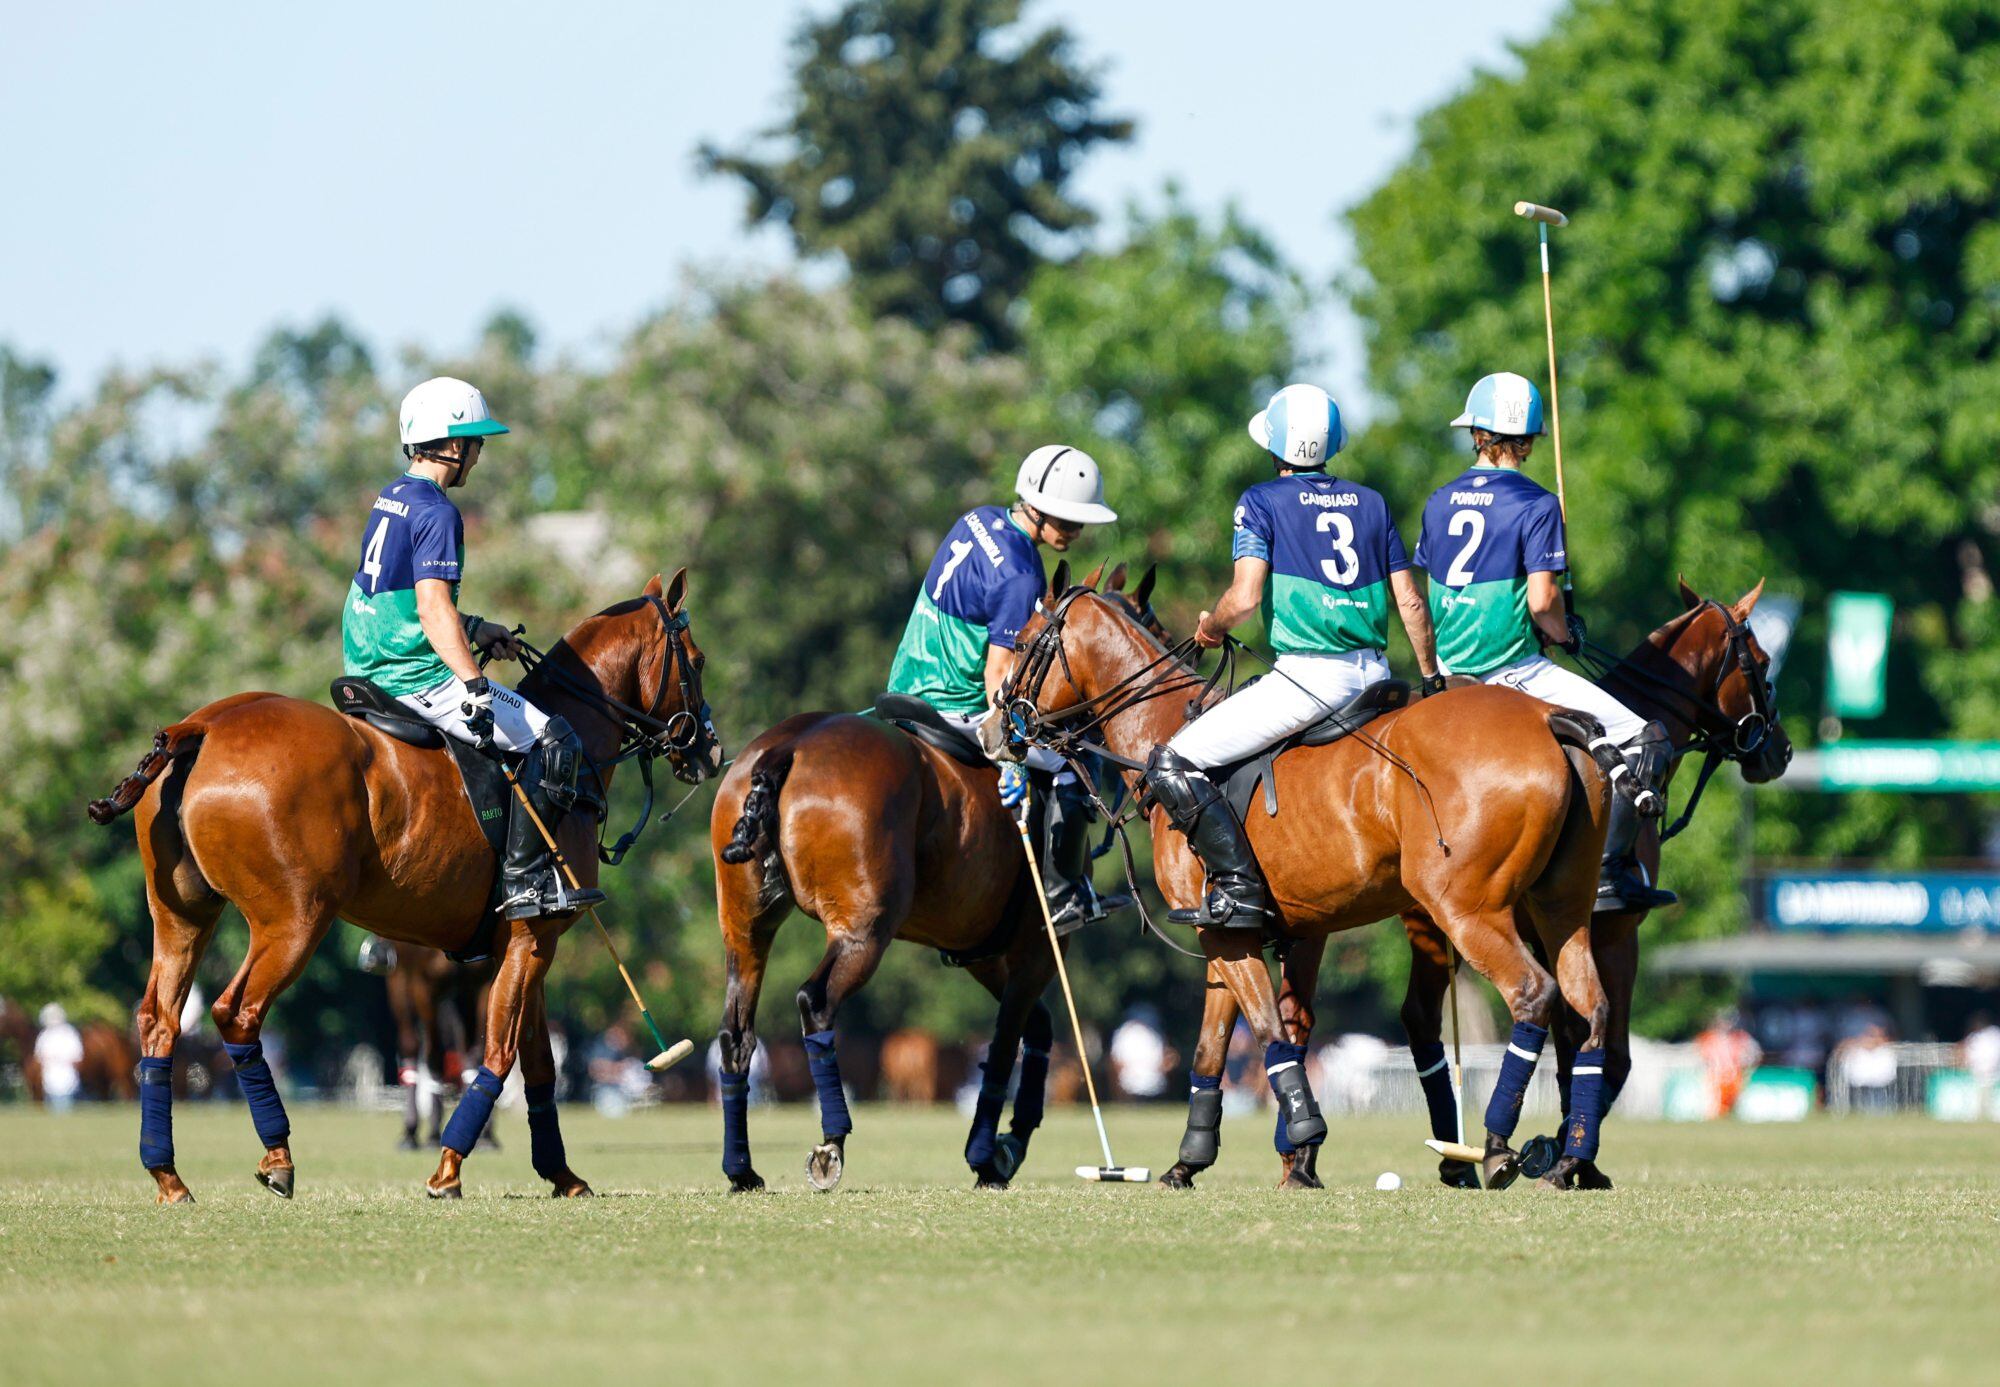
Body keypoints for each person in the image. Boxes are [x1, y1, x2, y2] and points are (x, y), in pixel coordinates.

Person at [1143, 383, 1437, 926]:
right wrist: (1432, 679)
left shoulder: (1260, 502)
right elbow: (1413, 603)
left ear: (1275, 446)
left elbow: (1246, 596)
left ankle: (1237, 885)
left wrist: (1212, 624)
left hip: (1309, 680)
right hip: (1377, 676)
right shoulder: (1371, 503)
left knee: (1172, 761)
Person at [341, 377, 603, 922]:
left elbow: (403, 599)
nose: (479, 456)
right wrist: (475, 685)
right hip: (414, 676)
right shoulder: (438, 512)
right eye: (477, 443)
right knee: (557, 740)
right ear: (454, 446)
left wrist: (477, 627)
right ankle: (524, 881)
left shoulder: (393, 496)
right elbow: (433, 610)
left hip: (365, 663)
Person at [1413, 372, 1675, 912]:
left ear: (1478, 435)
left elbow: (1432, 589)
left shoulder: (1438, 501)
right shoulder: (1538, 503)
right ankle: (1609, 874)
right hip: (1510, 670)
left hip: (1449, 670)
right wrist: (1565, 632)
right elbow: (1540, 602)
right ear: (1527, 440)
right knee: (1644, 736)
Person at [886, 445, 1126, 928]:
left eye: (1080, 521)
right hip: (956, 703)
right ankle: (1064, 898)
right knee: (1070, 762)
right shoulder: (1022, 574)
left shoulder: (979, 518)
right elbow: (998, 677)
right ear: (1035, 507)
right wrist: (1011, 751)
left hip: (904, 681)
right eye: (1066, 518)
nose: (1075, 531)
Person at [33, 1003, 84, 1112]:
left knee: (65, 1105)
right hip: (49, 1076)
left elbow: (77, 1056)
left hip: (67, 1076)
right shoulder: (45, 1035)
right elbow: (39, 1056)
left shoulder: (69, 1033)